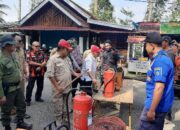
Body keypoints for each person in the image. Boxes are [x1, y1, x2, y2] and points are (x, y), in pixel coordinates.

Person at [138, 32, 174, 130]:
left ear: (152, 46)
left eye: (146, 45)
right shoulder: (159, 58)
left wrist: (152, 110)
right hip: (157, 105)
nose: (145, 47)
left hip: (156, 107)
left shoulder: (161, 61)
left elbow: (159, 88)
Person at [0, 35, 32, 130]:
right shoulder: (1, 59)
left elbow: (19, 67)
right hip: (8, 89)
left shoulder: (13, 54)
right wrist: (1, 95)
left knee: (22, 105)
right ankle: (7, 127)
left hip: (18, 86)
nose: (14, 46)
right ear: (6, 46)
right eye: (12, 44)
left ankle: (20, 122)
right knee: (6, 110)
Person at [47, 39, 79, 125]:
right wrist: (57, 87)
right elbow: (50, 75)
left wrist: (76, 74)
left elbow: (71, 70)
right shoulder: (53, 59)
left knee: (66, 105)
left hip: (67, 87)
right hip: (58, 89)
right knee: (58, 106)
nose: (69, 52)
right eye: (67, 50)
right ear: (63, 49)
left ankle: (65, 119)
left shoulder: (67, 58)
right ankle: (58, 122)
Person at [13, 34, 31, 121]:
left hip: (21, 78)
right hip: (12, 80)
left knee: (21, 96)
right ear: (13, 41)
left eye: (21, 41)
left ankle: (21, 113)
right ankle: (15, 114)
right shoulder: (9, 51)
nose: (21, 42)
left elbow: (24, 62)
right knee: (13, 97)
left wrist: (27, 71)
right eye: (19, 41)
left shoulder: (21, 50)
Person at [25, 41, 48, 106]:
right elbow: (29, 62)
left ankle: (38, 97)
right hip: (32, 73)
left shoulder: (42, 53)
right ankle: (27, 100)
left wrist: (41, 66)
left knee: (40, 86)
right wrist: (40, 64)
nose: (38, 47)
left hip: (41, 73)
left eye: (39, 46)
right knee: (30, 87)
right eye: (36, 46)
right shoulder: (29, 53)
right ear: (32, 46)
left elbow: (46, 60)